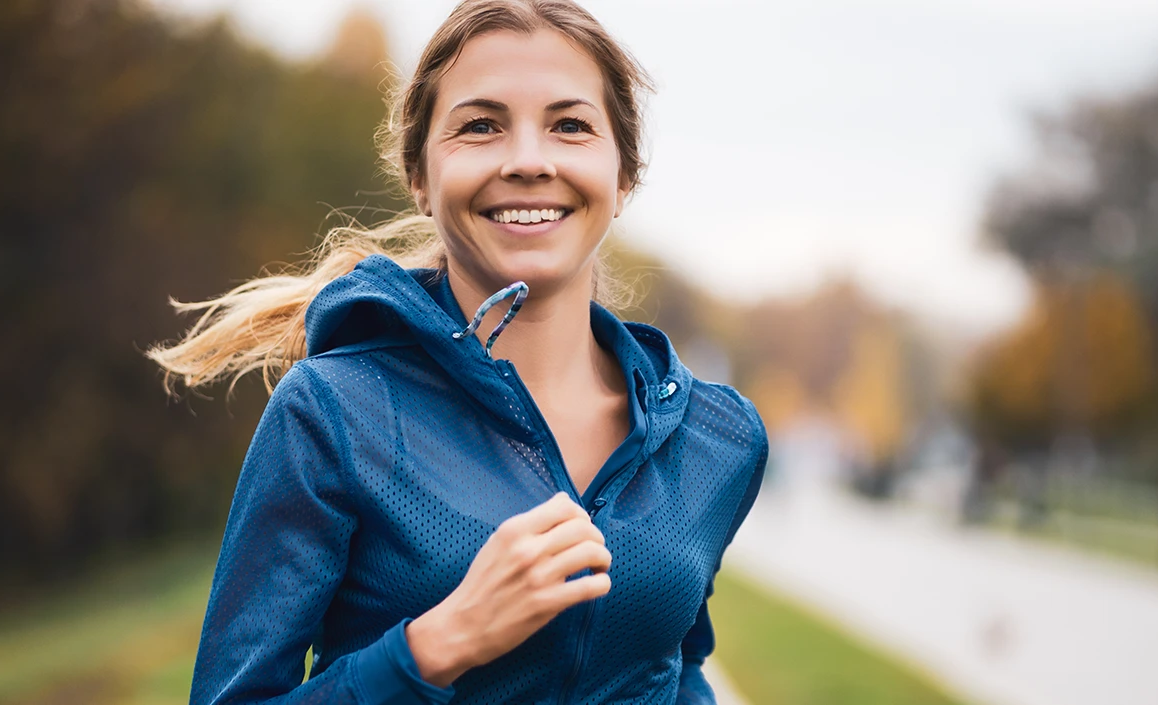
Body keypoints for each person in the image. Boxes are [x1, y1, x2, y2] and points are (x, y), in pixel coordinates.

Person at [147, 1, 768, 703]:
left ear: (623, 175)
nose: (529, 160)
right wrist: (438, 644)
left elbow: (677, 665)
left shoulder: (717, 437)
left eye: (570, 125)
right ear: (420, 176)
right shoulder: (332, 413)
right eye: (481, 126)